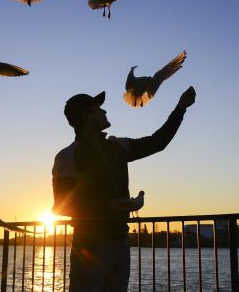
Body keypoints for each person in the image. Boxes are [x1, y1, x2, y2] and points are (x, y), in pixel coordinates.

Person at [52, 86, 196, 291]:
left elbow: (157, 142)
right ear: (85, 116)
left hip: (121, 243)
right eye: (97, 108)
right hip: (90, 246)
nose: (104, 111)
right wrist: (108, 206)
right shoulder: (67, 156)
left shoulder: (117, 146)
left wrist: (181, 108)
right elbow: (61, 206)